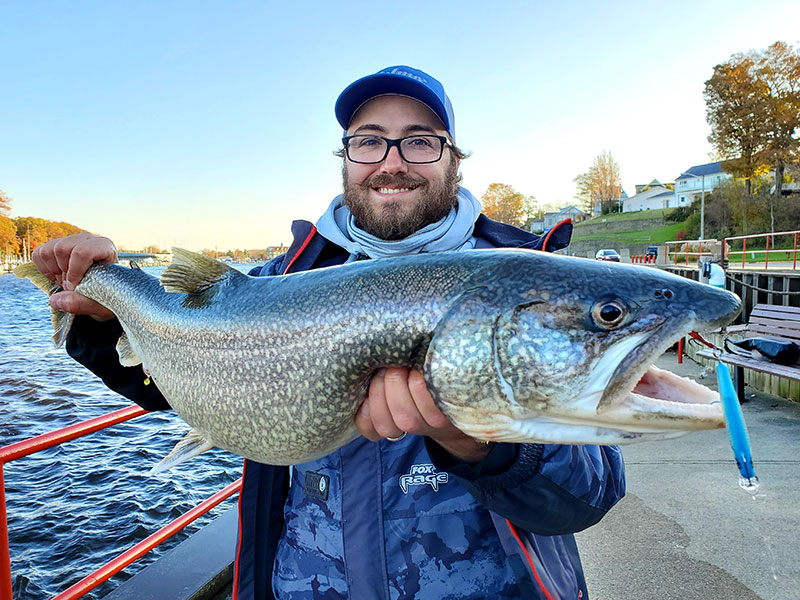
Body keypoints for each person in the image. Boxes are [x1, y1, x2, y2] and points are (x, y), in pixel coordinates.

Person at [33, 65, 625, 600]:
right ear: (345, 158)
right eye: (369, 141)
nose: (392, 161)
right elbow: (184, 385)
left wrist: (481, 445)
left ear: (453, 159)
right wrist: (100, 314)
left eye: (419, 140)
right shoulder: (275, 282)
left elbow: (590, 495)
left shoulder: (527, 283)